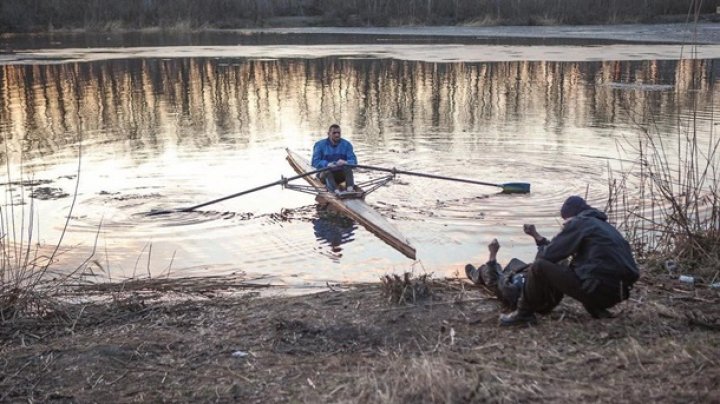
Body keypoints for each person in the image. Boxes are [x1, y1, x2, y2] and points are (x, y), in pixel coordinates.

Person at [467, 196, 640, 326]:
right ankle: (598, 310)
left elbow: (547, 256)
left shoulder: (579, 223)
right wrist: (538, 237)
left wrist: (557, 238)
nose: (565, 225)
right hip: (618, 293)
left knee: (539, 266)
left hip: (599, 290)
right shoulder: (603, 226)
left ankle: (523, 314)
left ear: (570, 217)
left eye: (565, 222)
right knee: (580, 269)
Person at [311, 124, 357, 194]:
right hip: (324, 176)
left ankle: (350, 190)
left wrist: (346, 162)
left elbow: (355, 162)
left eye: (338, 133)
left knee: (348, 167)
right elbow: (314, 162)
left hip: (340, 175)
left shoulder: (347, 144)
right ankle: (336, 192)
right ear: (328, 134)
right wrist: (327, 164)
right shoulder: (319, 145)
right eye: (334, 133)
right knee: (327, 170)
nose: (337, 135)